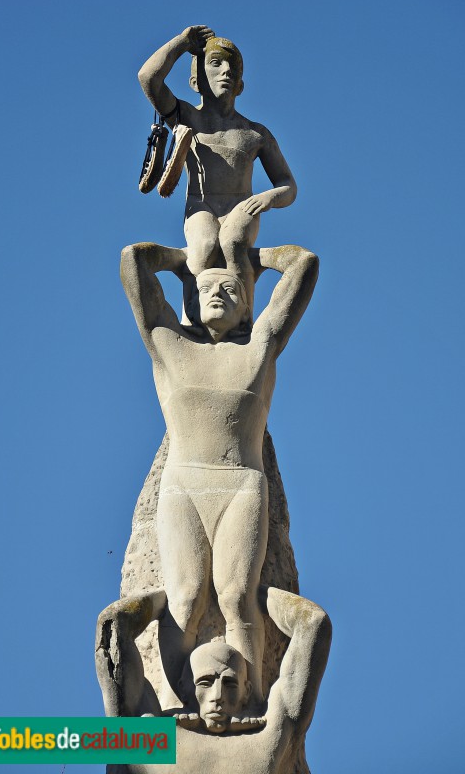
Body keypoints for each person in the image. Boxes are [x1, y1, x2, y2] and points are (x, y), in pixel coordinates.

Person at [120, 241, 318, 707]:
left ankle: (246, 701)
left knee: (234, 597)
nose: (217, 294)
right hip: (184, 485)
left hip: (241, 485)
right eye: (206, 289)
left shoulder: (260, 346)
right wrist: (189, 257)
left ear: (248, 303)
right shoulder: (169, 344)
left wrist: (250, 256)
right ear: (188, 301)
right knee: (184, 599)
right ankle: (182, 702)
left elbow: (303, 265)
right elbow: (133, 262)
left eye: (230, 290)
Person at [138, 26, 297, 307]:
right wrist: (183, 42)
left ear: (240, 85)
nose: (226, 71)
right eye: (215, 63)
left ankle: (242, 318)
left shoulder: (255, 133)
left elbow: (288, 186)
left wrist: (267, 198)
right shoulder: (186, 117)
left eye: (232, 67)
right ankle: (195, 321)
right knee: (203, 250)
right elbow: (148, 78)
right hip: (201, 207)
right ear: (195, 80)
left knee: (234, 241)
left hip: (241, 209)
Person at [96, 587, 332, 774]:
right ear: (184, 688)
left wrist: (245, 595)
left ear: (246, 692)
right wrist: (170, 598)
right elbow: (113, 627)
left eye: (229, 684)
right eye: (205, 682)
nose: (217, 696)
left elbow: (313, 624)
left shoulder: (270, 738)